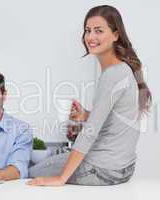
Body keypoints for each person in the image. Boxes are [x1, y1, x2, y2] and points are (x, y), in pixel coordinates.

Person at [27, 5, 152, 186]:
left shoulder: (112, 75)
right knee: (48, 161)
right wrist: (86, 115)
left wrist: (61, 179)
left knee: (31, 171)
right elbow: (115, 116)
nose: (91, 37)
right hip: (124, 168)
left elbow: (89, 134)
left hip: (102, 170)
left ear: (115, 35)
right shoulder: (123, 70)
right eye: (88, 30)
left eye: (99, 31)